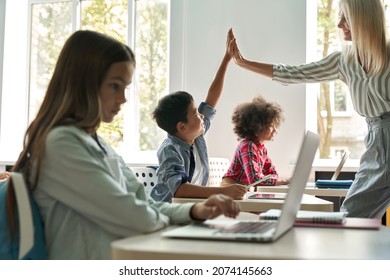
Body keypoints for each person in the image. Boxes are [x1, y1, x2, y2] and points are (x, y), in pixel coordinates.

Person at [6, 30, 240, 260]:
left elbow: (144, 203)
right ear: (84, 83)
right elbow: (133, 216)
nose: (123, 98)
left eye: (125, 87)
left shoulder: (98, 143)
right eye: (115, 86)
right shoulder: (61, 144)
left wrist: (194, 211)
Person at [229, 0, 390, 218]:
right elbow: (294, 73)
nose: (339, 23)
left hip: (382, 143)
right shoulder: (344, 61)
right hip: (376, 144)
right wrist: (242, 62)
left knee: (352, 218)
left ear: (362, 20)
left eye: (345, 17)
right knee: (352, 217)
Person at [150, 28, 247, 203]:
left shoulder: (196, 135)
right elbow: (178, 190)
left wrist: (226, 59)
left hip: (191, 209)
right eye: (195, 113)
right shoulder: (169, 149)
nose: (201, 116)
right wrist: (222, 192)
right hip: (168, 213)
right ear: (182, 126)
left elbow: (211, 99)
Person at [221, 95, 288, 190]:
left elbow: (273, 174)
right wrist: (282, 181)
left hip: (244, 189)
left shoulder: (261, 148)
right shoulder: (248, 146)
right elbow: (255, 180)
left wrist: (274, 180)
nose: (275, 130)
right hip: (230, 189)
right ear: (258, 126)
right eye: (272, 125)